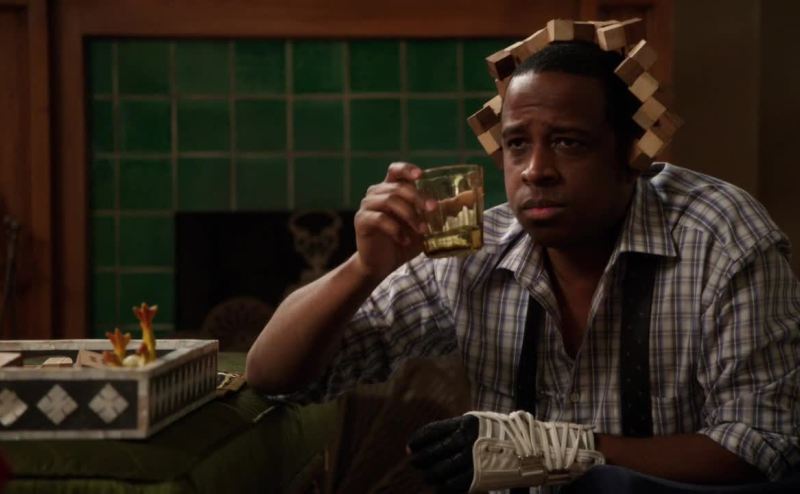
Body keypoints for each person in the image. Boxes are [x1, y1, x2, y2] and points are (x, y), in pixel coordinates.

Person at [245, 39, 800, 492]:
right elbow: (275, 378)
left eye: (568, 142)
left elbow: (764, 444)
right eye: (516, 144)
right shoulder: (478, 249)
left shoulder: (719, 238)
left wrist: (557, 451)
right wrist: (363, 268)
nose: (536, 170)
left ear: (631, 152)